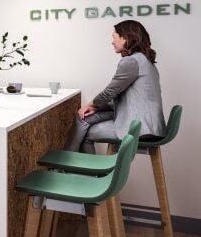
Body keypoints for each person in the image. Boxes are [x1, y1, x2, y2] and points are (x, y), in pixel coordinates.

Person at [67, 19, 166, 153]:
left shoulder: (131, 61)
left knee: (87, 132)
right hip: (151, 124)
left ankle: (72, 165)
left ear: (125, 38)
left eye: (114, 37)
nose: (112, 42)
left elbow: (110, 92)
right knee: (84, 118)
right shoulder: (144, 60)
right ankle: (69, 165)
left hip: (141, 127)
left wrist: (91, 104)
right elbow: (128, 99)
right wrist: (96, 107)